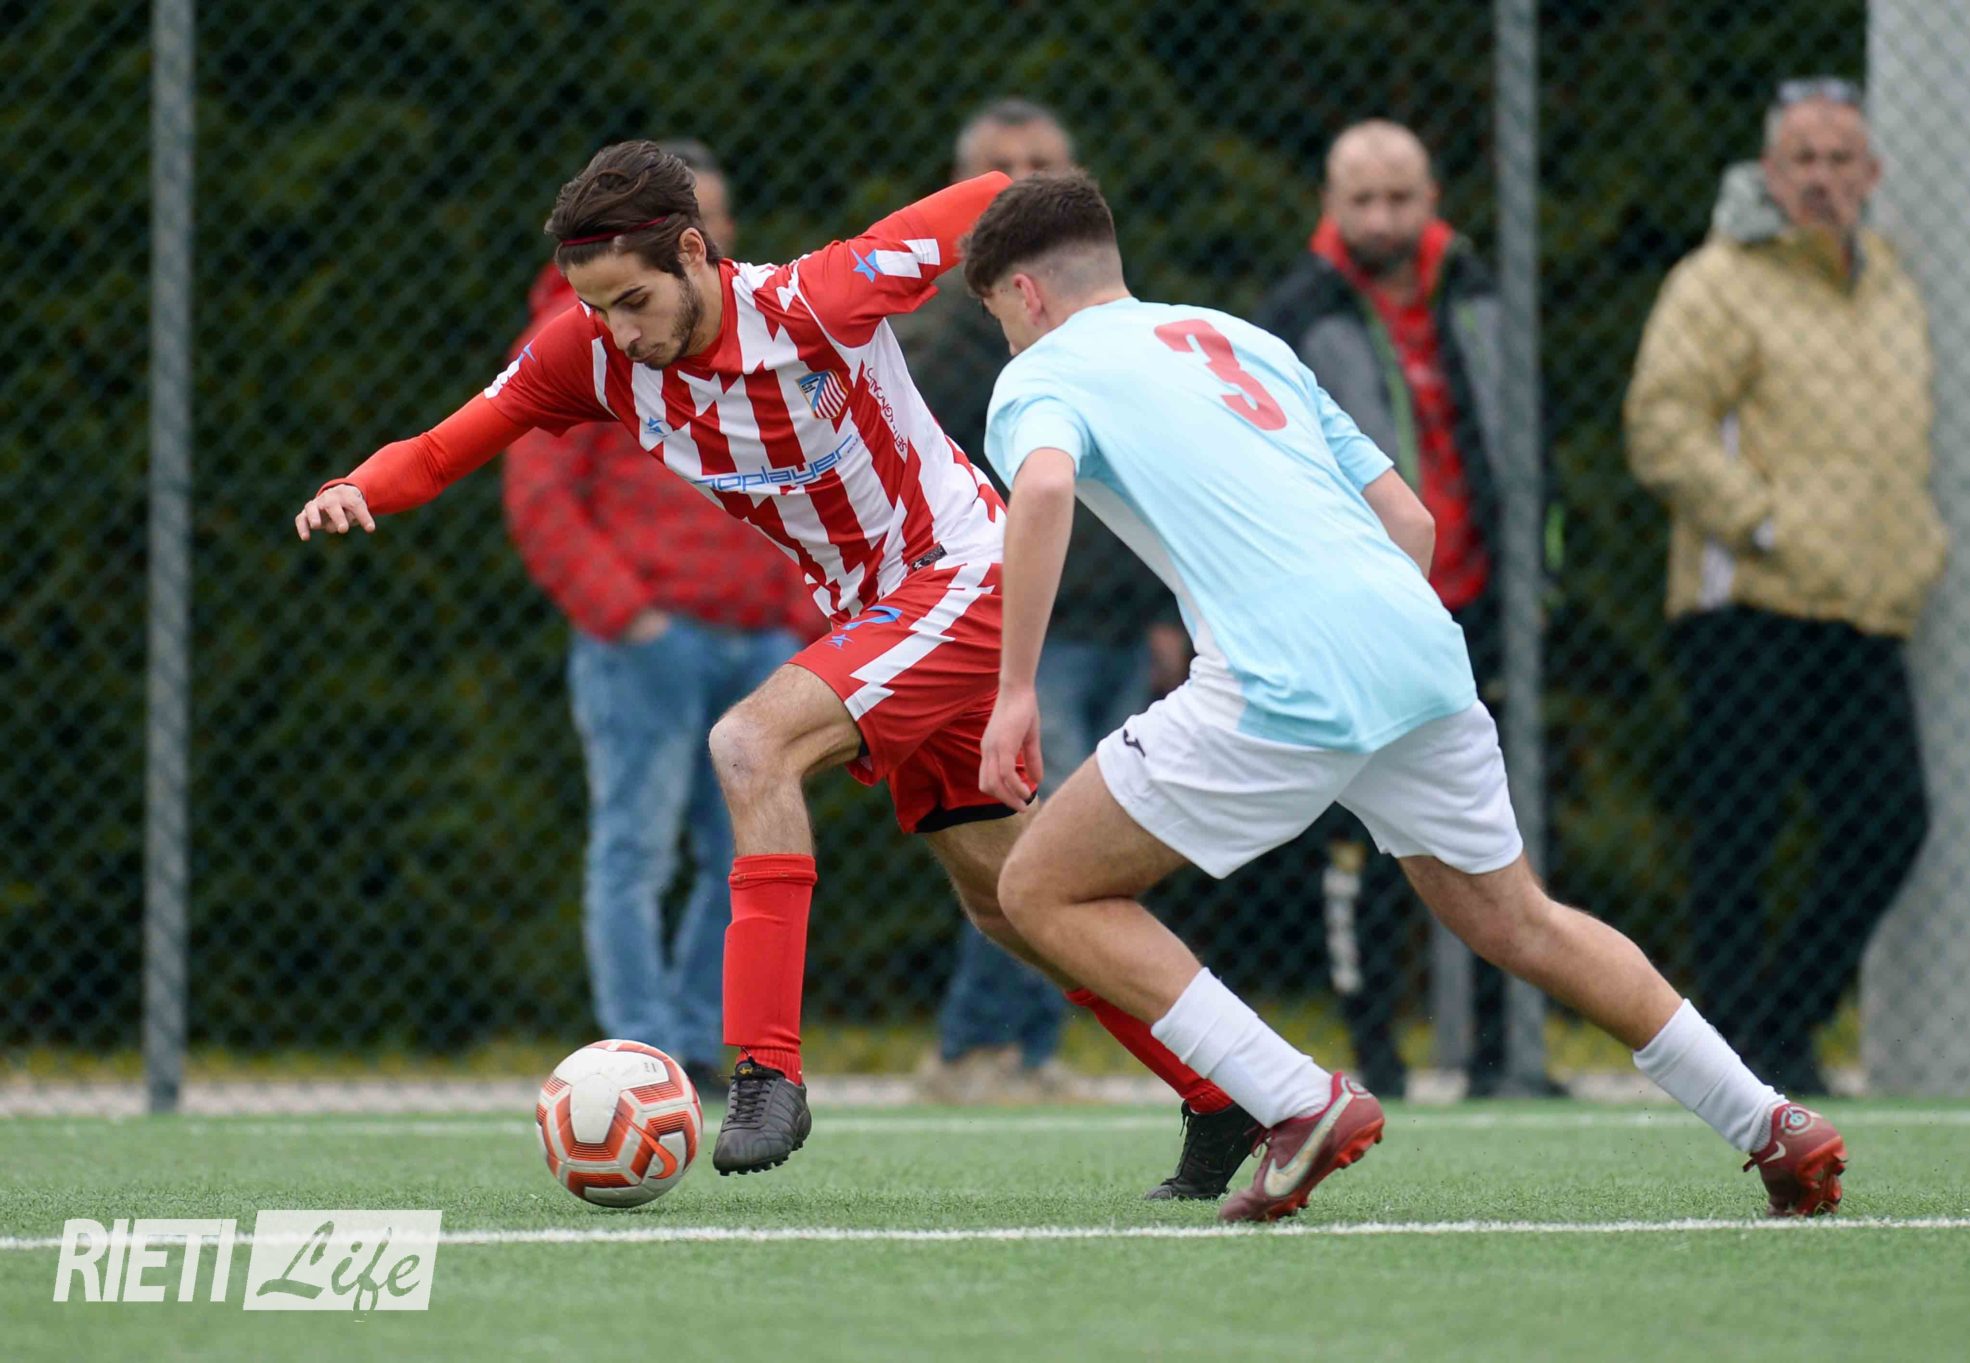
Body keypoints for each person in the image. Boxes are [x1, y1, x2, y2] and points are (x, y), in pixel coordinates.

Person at [294, 141, 1258, 1192]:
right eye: (597, 309)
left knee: (751, 743)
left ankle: (766, 1071)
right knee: (1015, 900)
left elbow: (1001, 197)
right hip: (885, 618)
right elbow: (447, 446)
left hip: (962, 575)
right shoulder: (594, 352)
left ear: (693, 252)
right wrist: (360, 488)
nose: (618, 331)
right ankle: (1228, 1092)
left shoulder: (820, 298)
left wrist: (1088, 315)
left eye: (632, 301)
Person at [968, 171, 1845, 1222]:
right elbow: (1412, 522)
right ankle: (1769, 1120)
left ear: (1025, 294)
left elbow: (1045, 487)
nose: (1007, 340)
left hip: (1277, 674)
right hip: (1417, 647)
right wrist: (1361, 676)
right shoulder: (1242, 338)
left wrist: (1014, 690)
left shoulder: (1042, 371)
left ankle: (1296, 1100)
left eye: (999, 318)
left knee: (1039, 888)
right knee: (1523, 918)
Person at [1625, 79, 1942, 1097]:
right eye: (1800, 158)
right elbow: (1661, 424)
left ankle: (1782, 1025)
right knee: (1740, 829)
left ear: (1870, 174)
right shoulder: (1717, 281)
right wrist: (1762, 523)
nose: (1819, 178)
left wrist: (1915, 546)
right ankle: (1726, 1062)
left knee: (1888, 820)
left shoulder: (1889, 285)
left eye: (1839, 159)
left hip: (1863, 602)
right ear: (1768, 171)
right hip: (1747, 604)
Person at [501, 139, 811, 1102]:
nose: (701, 235)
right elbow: (541, 493)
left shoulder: (756, 329)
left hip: (761, 639)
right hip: (647, 640)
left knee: (745, 852)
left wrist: (798, 613)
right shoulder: (575, 343)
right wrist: (627, 615)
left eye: (709, 219)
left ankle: (700, 1044)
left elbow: (807, 469)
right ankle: (638, 1056)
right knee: (634, 847)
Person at [894, 98, 1188, 1110]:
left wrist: (1165, 610)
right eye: (999, 166)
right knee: (1035, 840)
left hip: (1116, 622)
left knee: (1083, 844)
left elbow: (1147, 478)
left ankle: (1030, 1048)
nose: (1020, 180)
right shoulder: (943, 339)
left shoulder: (1111, 327)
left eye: (1041, 164)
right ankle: (971, 1046)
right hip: (1024, 630)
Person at [1258, 119, 1560, 1098]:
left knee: (1490, 828)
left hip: (1478, 604)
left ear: (1431, 198)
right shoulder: (1291, 315)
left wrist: (1536, 582)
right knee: (1359, 834)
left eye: (1400, 198)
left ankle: (1499, 1060)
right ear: (1329, 205)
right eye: (1363, 200)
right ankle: (1374, 1058)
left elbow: (1531, 444)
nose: (1382, 219)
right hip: (1358, 613)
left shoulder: (1481, 296)